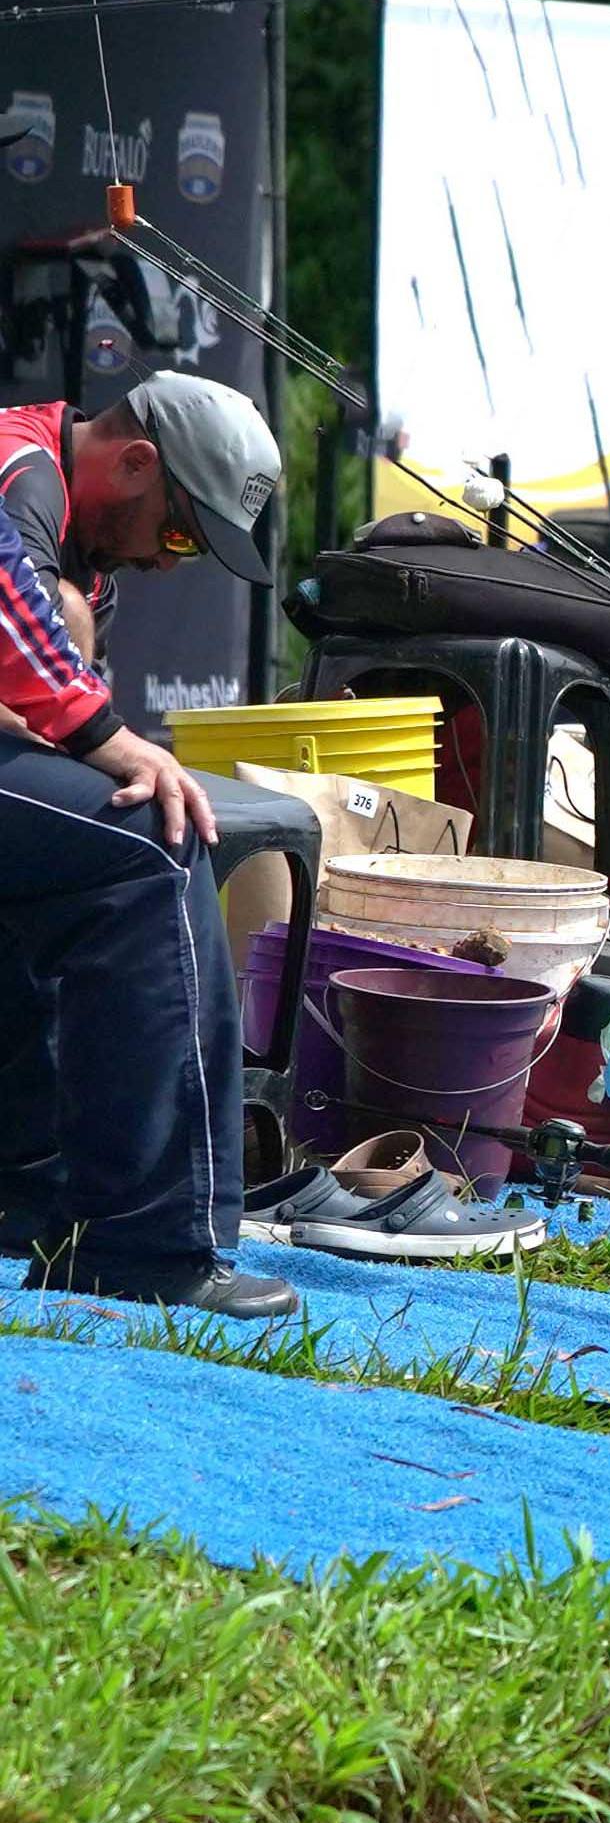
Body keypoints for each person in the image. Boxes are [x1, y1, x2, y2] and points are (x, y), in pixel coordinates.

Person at [0, 369, 289, 1319]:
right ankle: (147, 1242)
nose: (170, 566)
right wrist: (109, 734)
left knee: (85, 843)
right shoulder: (18, 464)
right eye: (177, 533)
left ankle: (29, 1186)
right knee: (149, 845)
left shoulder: (72, 546)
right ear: (133, 463)